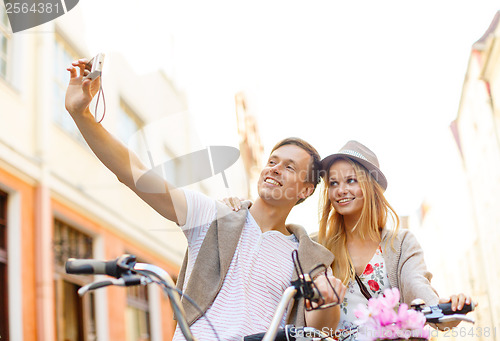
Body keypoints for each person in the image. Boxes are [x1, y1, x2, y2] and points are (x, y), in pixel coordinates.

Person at [64, 59, 346, 341]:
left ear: (306, 190)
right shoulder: (214, 216)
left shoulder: (307, 256)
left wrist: (328, 300)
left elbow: (321, 330)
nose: (274, 168)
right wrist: (82, 115)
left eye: (289, 167)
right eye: (272, 161)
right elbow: (135, 172)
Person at [318, 140, 475, 338]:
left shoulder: (401, 243)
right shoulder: (320, 247)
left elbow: (416, 285)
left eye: (351, 180)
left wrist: (449, 308)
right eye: (333, 183)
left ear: (370, 187)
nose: (340, 190)